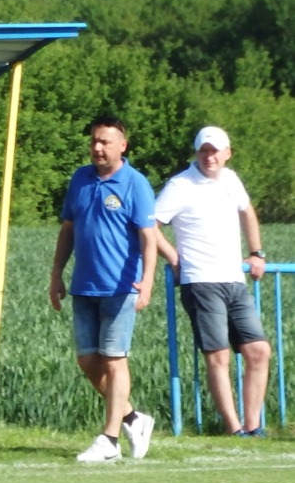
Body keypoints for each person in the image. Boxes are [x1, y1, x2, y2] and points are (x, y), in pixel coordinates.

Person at [49, 115, 157, 462]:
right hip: (84, 285)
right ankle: (133, 418)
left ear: (122, 145)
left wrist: (148, 280)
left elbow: (148, 237)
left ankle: (109, 440)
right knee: (87, 360)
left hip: (120, 287)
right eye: (94, 141)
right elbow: (68, 229)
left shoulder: (135, 184)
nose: (97, 147)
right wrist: (56, 274)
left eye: (105, 142)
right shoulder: (80, 179)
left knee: (114, 361)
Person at [155, 126, 271, 436]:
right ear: (196, 153)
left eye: (215, 151)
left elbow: (247, 211)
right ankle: (235, 429)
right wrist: (173, 257)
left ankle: (254, 425)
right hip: (201, 280)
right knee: (217, 355)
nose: (210, 157)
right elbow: (149, 224)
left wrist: (256, 252)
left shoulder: (231, 180)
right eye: (204, 151)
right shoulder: (179, 185)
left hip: (234, 279)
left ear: (227, 153)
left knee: (259, 351)